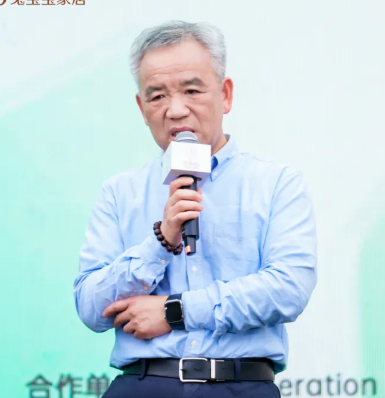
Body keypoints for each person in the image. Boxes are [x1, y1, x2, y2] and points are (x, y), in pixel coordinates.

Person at [73, 20, 317, 398]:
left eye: (191, 90)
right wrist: (160, 242)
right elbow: (91, 307)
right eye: (157, 96)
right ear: (142, 108)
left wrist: (176, 311)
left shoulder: (275, 184)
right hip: (144, 385)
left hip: (240, 386)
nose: (175, 110)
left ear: (225, 95)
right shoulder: (120, 193)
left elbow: (288, 289)